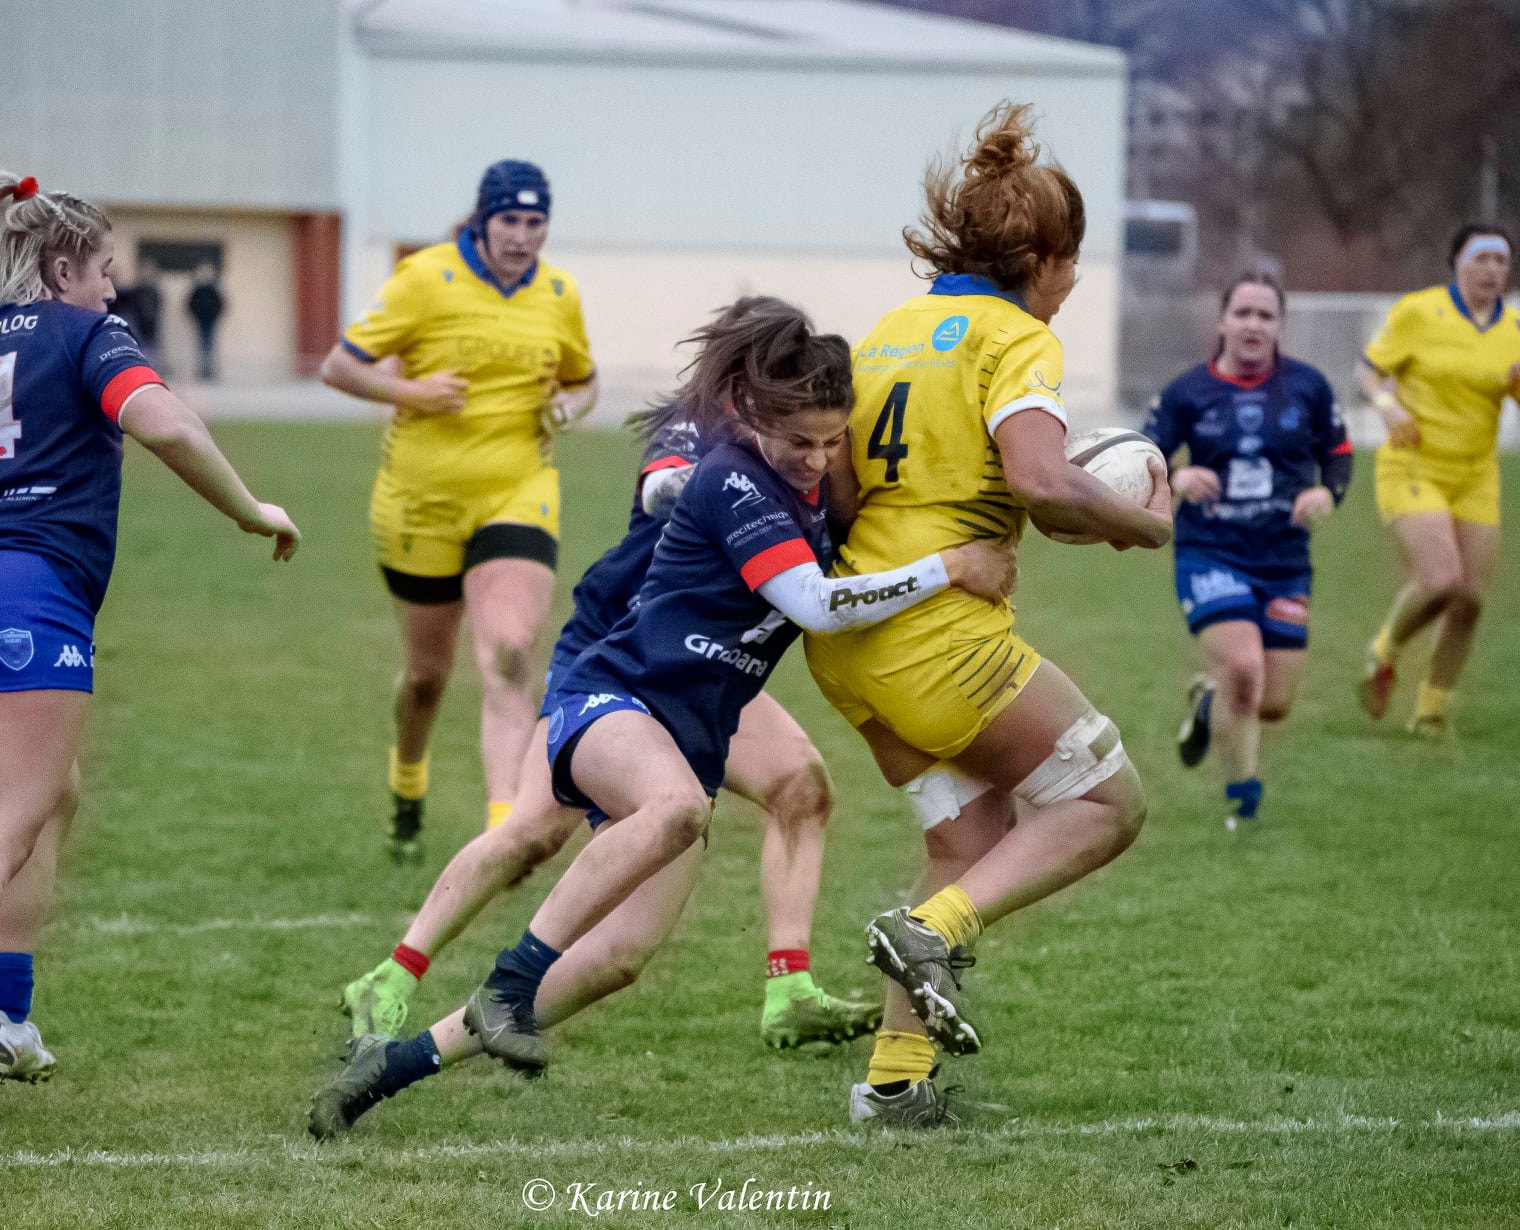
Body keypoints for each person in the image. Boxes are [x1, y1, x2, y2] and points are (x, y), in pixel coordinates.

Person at [308, 303, 1010, 1139]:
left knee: (617, 957)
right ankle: (500, 984)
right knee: (637, 815)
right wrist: (949, 566)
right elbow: (815, 605)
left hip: (690, 735)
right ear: (751, 414)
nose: (817, 460)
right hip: (614, 696)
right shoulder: (731, 478)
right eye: (800, 442)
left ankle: (393, 1066)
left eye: (831, 442)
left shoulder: (811, 485)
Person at [0, 171, 299, 1153]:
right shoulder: (83, 336)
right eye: (103, 269)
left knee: (51, 795)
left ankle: (6, 1020)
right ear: (59, 267)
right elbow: (163, 423)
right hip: (21, 599)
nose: (112, 290)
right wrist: (251, 509)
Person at [800, 103, 1173, 1126]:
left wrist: (1065, 515)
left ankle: (894, 1083)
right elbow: (1042, 482)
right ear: (1040, 258)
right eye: (1072, 260)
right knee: (1106, 802)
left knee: (968, 841)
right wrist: (1144, 526)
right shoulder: (1017, 340)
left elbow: (844, 499)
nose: (1074, 280)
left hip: (848, 645)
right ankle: (931, 934)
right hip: (939, 646)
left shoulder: (887, 335)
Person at [319, 160, 597, 861]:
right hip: (421, 505)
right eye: (510, 221)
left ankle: (504, 835)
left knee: (509, 654)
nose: (522, 236)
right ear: (483, 219)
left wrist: (567, 408)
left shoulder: (558, 293)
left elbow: (585, 381)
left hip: (517, 492)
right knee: (426, 676)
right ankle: (407, 781)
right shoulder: (425, 279)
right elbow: (339, 366)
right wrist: (414, 394)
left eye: (536, 223)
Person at [1148, 274, 1352, 830]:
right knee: (1244, 669)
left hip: (1284, 559)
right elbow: (1144, 456)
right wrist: (1178, 476)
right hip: (1210, 551)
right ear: (1223, 321)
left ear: (1280, 325)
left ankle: (1207, 702)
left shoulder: (1308, 387)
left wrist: (1326, 492)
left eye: (1266, 315)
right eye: (1243, 313)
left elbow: (1338, 453)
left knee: (1273, 702)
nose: (1253, 324)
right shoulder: (1188, 391)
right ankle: (1244, 800)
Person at [1357, 223, 1520, 736]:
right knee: (1441, 580)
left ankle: (1430, 712)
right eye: (1481, 258)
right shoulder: (1419, 312)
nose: (1492, 270)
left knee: (1469, 599)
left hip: (1476, 475)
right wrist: (1387, 405)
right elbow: (1367, 372)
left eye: (1501, 261)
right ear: (1457, 263)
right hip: (1414, 463)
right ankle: (1384, 650)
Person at [186, 263, 224, 381]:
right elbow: (190, 304)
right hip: (200, 322)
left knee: (210, 346)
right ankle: (202, 371)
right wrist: (196, 317)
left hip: (210, 322)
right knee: (200, 347)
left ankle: (209, 371)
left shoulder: (213, 290)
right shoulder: (198, 290)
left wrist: (214, 317)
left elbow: (220, 305)